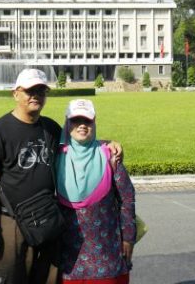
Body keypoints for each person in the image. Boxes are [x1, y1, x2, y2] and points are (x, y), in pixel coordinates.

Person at [0, 69, 123, 284]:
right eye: (30, 90)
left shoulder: (50, 128)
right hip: (12, 221)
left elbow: (78, 142)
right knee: (10, 277)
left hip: (48, 215)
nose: (35, 95)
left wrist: (107, 143)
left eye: (41, 90)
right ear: (16, 93)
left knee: (47, 277)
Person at [56, 99, 136, 284]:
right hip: (68, 257)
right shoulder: (57, 157)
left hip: (106, 255)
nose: (82, 126)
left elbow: (127, 197)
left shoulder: (109, 155)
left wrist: (128, 238)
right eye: (76, 120)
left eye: (87, 121)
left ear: (94, 122)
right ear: (67, 123)